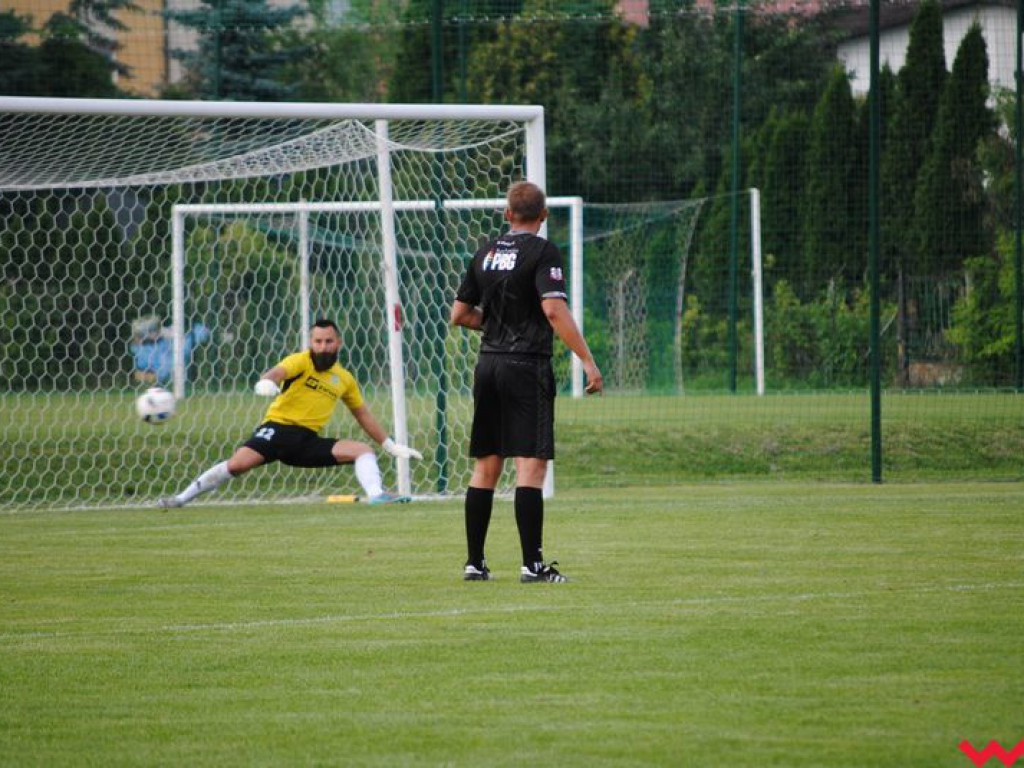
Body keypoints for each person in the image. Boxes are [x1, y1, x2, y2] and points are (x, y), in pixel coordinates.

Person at [450, 181, 603, 583]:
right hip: (525, 367)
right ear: (544, 215)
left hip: (488, 366)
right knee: (530, 467)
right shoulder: (543, 250)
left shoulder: (484, 252)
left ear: (506, 214)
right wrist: (587, 360)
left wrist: (500, 323)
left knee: (487, 466)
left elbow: (460, 315)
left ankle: (474, 563)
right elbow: (553, 310)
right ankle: (533, 566)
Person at [157, 318, 421, 509]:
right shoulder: (301, 361)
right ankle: (181, 498)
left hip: (306, 441)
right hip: (277, 430)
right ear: (310, 342)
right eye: (317, 341)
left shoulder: (344, 379)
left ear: (338, 343)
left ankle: (376, 495)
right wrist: (268, 381)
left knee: (362, 450)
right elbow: (278, 372)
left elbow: (362, 414)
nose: (323, 346)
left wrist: (389, 445)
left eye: (328, 341)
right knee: (237, 464)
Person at [131, 316, 210, 385]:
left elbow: (203, 333)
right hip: (166, 377)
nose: (158, 331)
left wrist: (173, 334)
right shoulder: (142, 351)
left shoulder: (167, 337)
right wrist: (155, 377)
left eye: (156, 329)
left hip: (181, 359)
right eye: (154, 330)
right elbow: (138, 375)